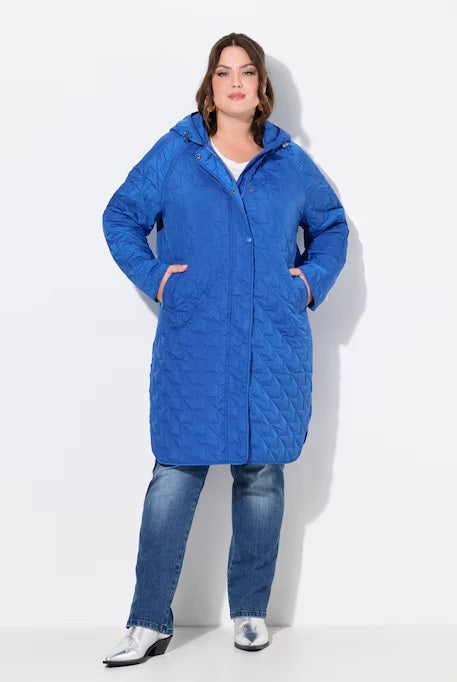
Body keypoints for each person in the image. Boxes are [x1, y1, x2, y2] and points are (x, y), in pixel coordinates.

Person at [101, 33, 349, 666]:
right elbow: (121, 216)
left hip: (272, 346)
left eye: (247, 72)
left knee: (261, 473)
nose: (236, 82)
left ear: (262, 87)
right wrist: (158, 278)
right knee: (175, 474)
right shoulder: (178, 152)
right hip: (196, 342)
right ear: (209, 87)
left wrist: (306, 283)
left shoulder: (288, 162)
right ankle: (147, 620)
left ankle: (249, 612)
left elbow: (331, 227)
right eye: (223, 72)